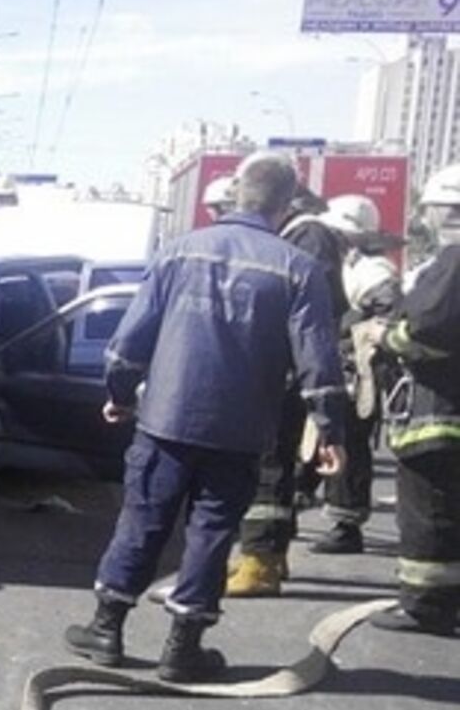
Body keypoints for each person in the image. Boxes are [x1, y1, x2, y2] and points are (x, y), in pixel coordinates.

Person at [64, 152, 346, 683]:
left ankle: (106, 629)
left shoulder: (178, 251)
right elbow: (318, 358)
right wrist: (329, 428)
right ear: (286, 205)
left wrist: (119, 392)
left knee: (144, 517)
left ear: (238, 195)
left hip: (166, 419)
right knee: (213, 531)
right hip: (241, 432)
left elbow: (130, 342)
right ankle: (183, 647)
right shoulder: (298, 269)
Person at [228, 185, 353, 596]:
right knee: (276, 467)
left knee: (268, 469)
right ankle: (269, 557)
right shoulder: (304, 238)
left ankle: (259, 563)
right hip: (287, 372)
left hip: (284, 375)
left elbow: (303, 309)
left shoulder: (308, 237)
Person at [371, 164, 460, 635]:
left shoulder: (455, 261)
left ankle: (426, 604)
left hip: (440, 409)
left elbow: (426, 325)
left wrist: (388, 337)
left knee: (429, 509)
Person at [311, 194, 404, 556]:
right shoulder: (343, 265)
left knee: (347, 441)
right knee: (324, 439)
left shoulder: (372, 271)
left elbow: (391, 312)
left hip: (357, 371)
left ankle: (346, 523)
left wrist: (351, 331)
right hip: (334, 363)